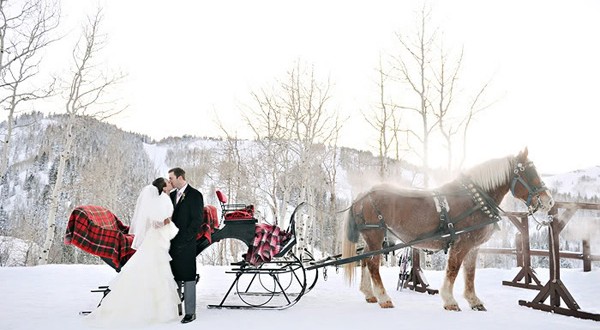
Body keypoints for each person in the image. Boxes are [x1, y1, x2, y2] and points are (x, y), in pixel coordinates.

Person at [85, 178, 181, 327]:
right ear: (163, 188)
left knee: (157, 270)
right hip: (154, 240)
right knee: (152, 270)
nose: (170, 183)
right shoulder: (157, 200)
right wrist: (166, 222)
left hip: (161, 239)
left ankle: (158, 309)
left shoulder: (165, 198)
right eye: (168, 183)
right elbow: (153, 222)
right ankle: (146, 309)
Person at [168, 167, 204, 324]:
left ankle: (190, 312)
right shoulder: (171, 195)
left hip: (187, 243)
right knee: (173, 276)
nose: (170, 181)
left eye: (171, 178)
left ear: (180, 177)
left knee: (188, 276)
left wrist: (186, 239)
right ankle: (176, 309)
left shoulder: (195, 195)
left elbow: (197, 220)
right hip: (170, 243)